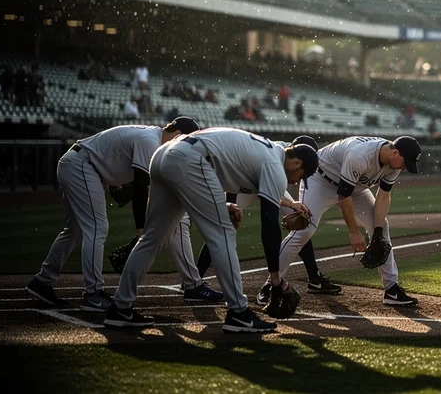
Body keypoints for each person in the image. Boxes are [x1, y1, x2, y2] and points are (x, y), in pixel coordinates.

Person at [103, 128, 319, 333]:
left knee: (152, 238)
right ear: (296, 163)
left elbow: (219, 166)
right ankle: (238, 312)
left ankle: (120, 307)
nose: (298, 180)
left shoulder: (267, 149)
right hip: (190, 160)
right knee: (223, 234)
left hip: (164, 156)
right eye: (302, 175)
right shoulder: (275, 165)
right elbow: (269, 225)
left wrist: (219, 205)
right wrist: (276, 280)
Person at [24, 117, 202, 311]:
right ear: (177, 135)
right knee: (97, 227)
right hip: (82, 166)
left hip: (78, 164)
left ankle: (42, 281)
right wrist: (141, 228)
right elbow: (141, 188)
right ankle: (93, 294)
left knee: (74, 230)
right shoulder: (150, 142)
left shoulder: (151, 135)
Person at [265, 136, 422, 307]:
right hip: (321, 181)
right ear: (395, 152)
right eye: (405, 162)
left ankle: (392, 289)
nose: (405, 167)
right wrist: (354, 232)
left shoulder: (394, 163)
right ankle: (271, 285)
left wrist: (376, 232)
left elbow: (383, 196)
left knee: (382, 226)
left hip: (355, 188)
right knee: (304, 230)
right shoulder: (360, 155)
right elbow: (343, 196)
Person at [194, 135, 342, 299]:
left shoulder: (287, 156)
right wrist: (292, 203)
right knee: (224, 226)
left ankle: (314, 277)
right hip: (241, 184)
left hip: (262, 178)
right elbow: (265, 188)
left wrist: (293, 205)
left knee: (301, 220)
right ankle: (196, 279)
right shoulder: (277, 157)